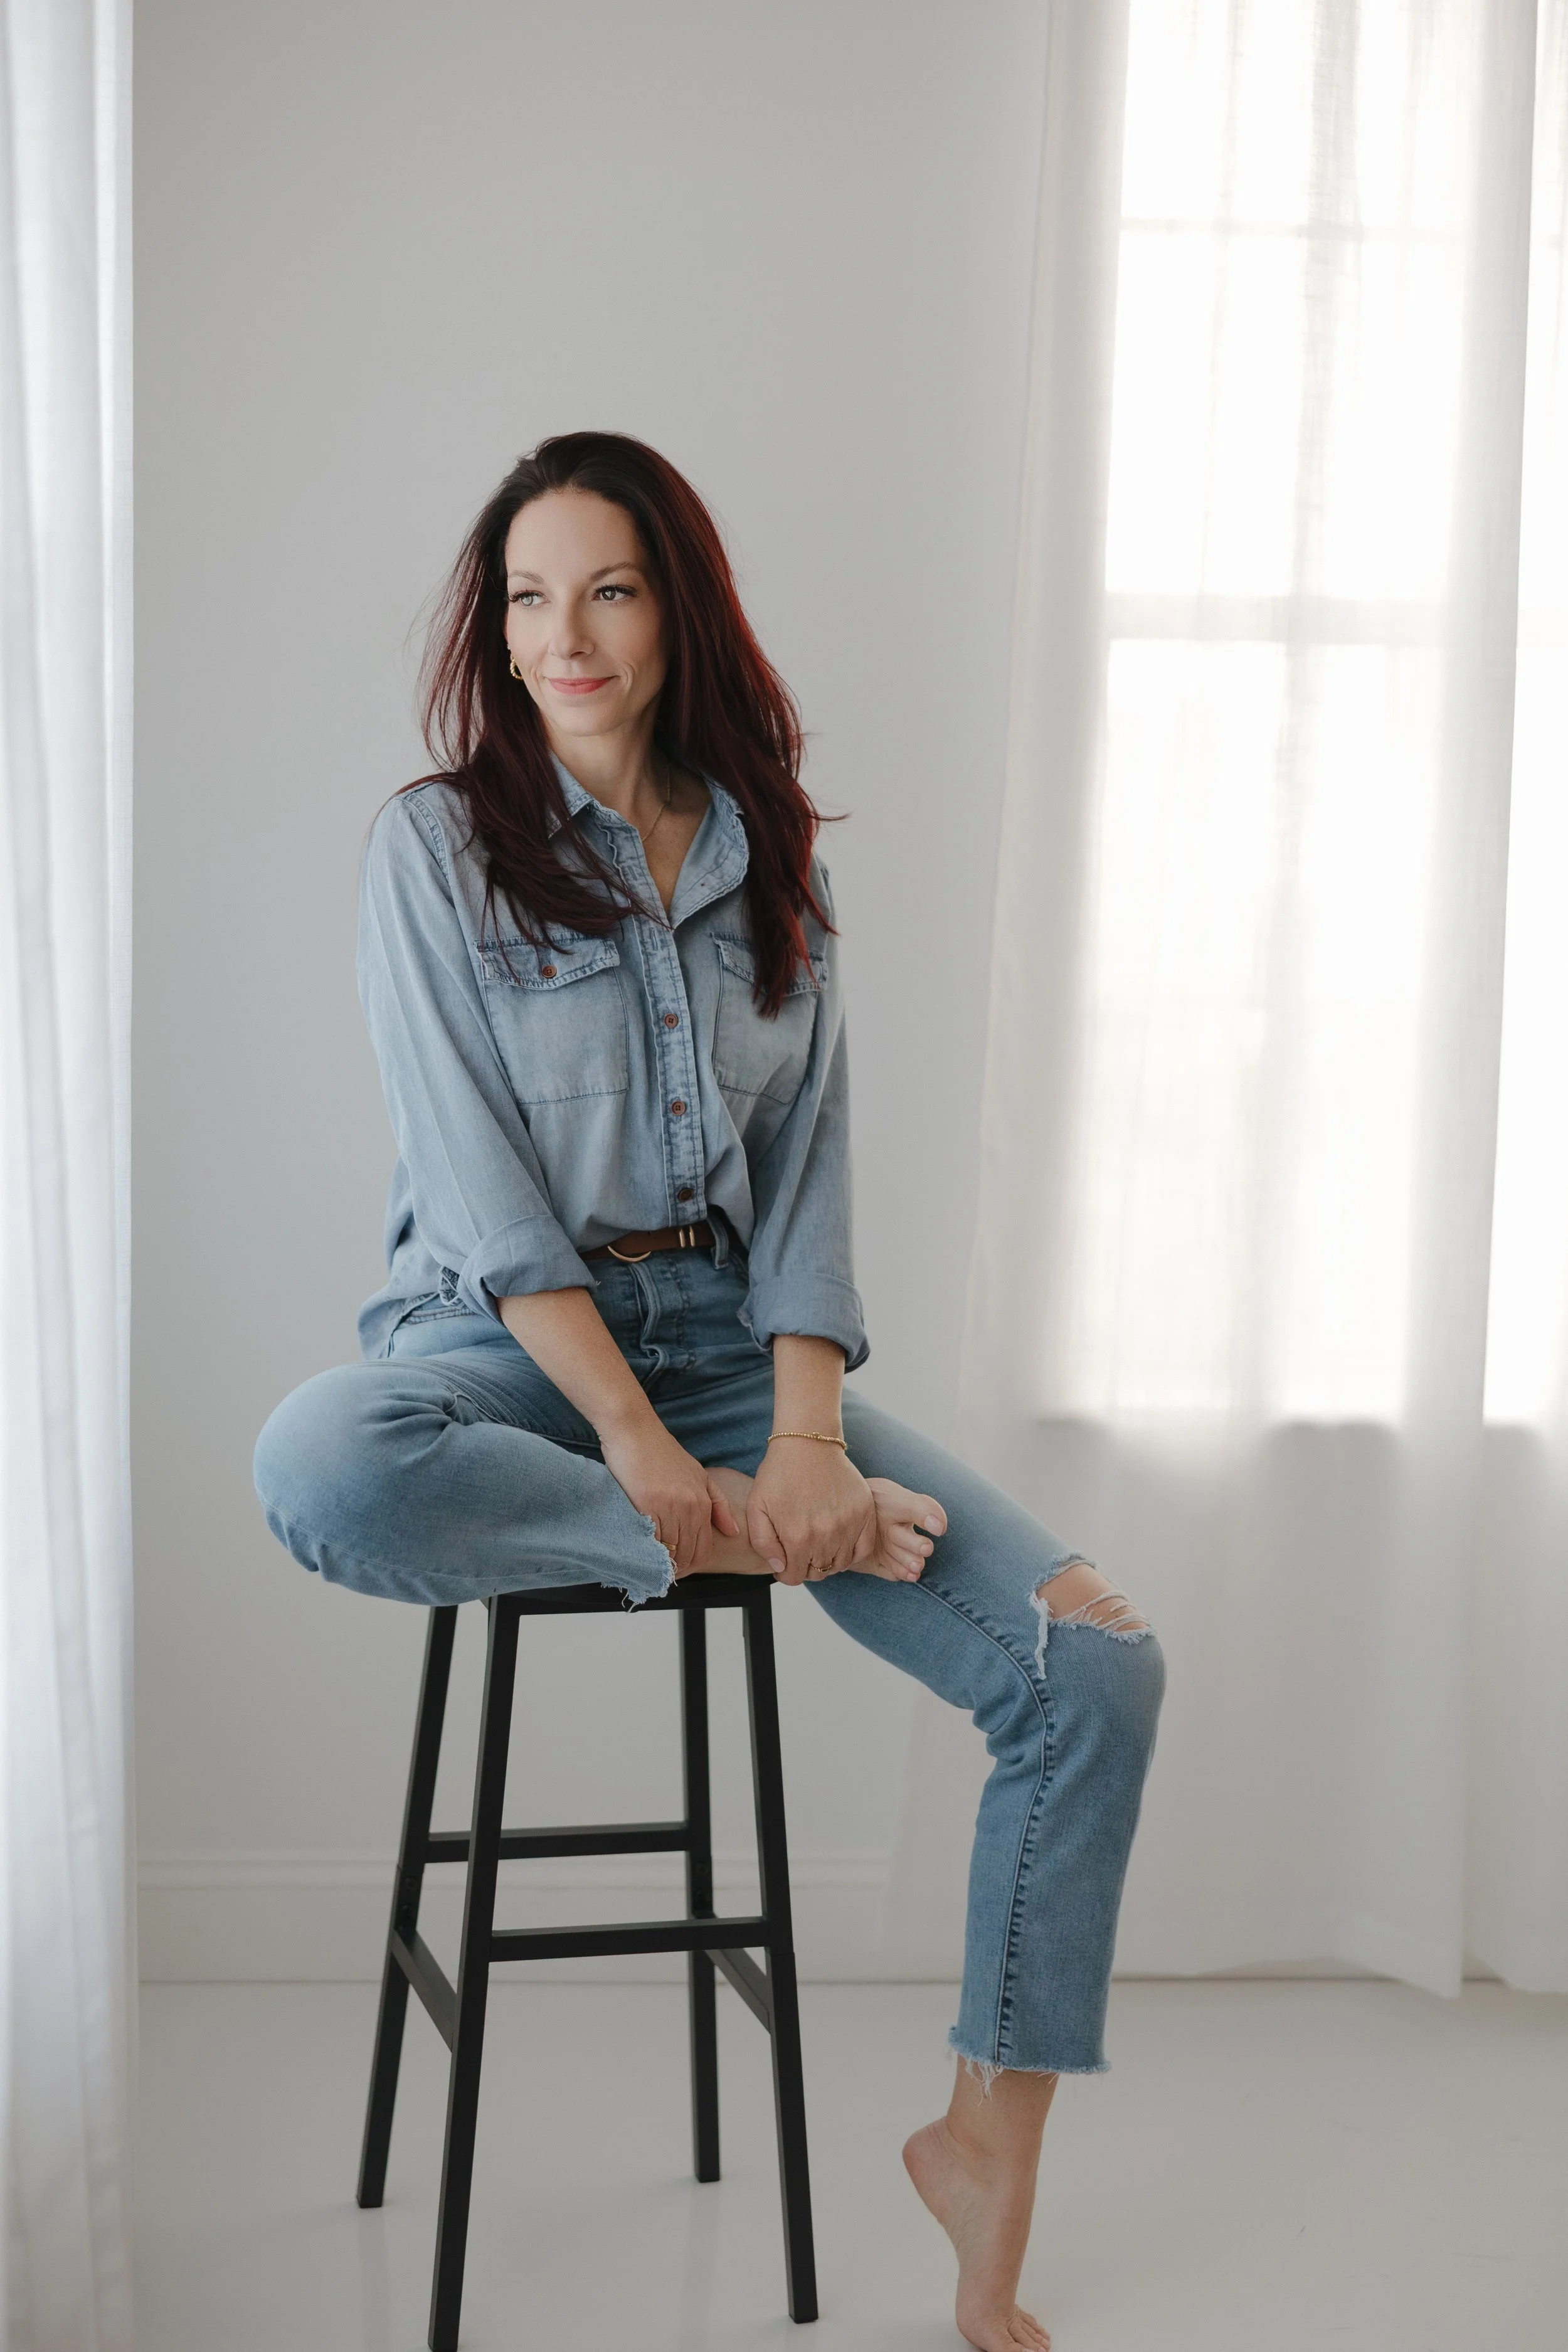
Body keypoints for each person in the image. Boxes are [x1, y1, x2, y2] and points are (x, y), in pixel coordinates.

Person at [253, 430, 1164, 2352]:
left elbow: (811, 1185)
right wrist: (667, 1468)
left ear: (676, 608)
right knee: (320, 1456)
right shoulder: (431, 850)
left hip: (737, 1356)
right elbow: (486, 1199)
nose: (563, 636)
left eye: (606, 589)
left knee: (1094, 1665)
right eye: (526, 597)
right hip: (502, 1352)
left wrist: (805, 1433)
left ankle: (985, 2140)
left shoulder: (773, 854)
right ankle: (745, 1538)